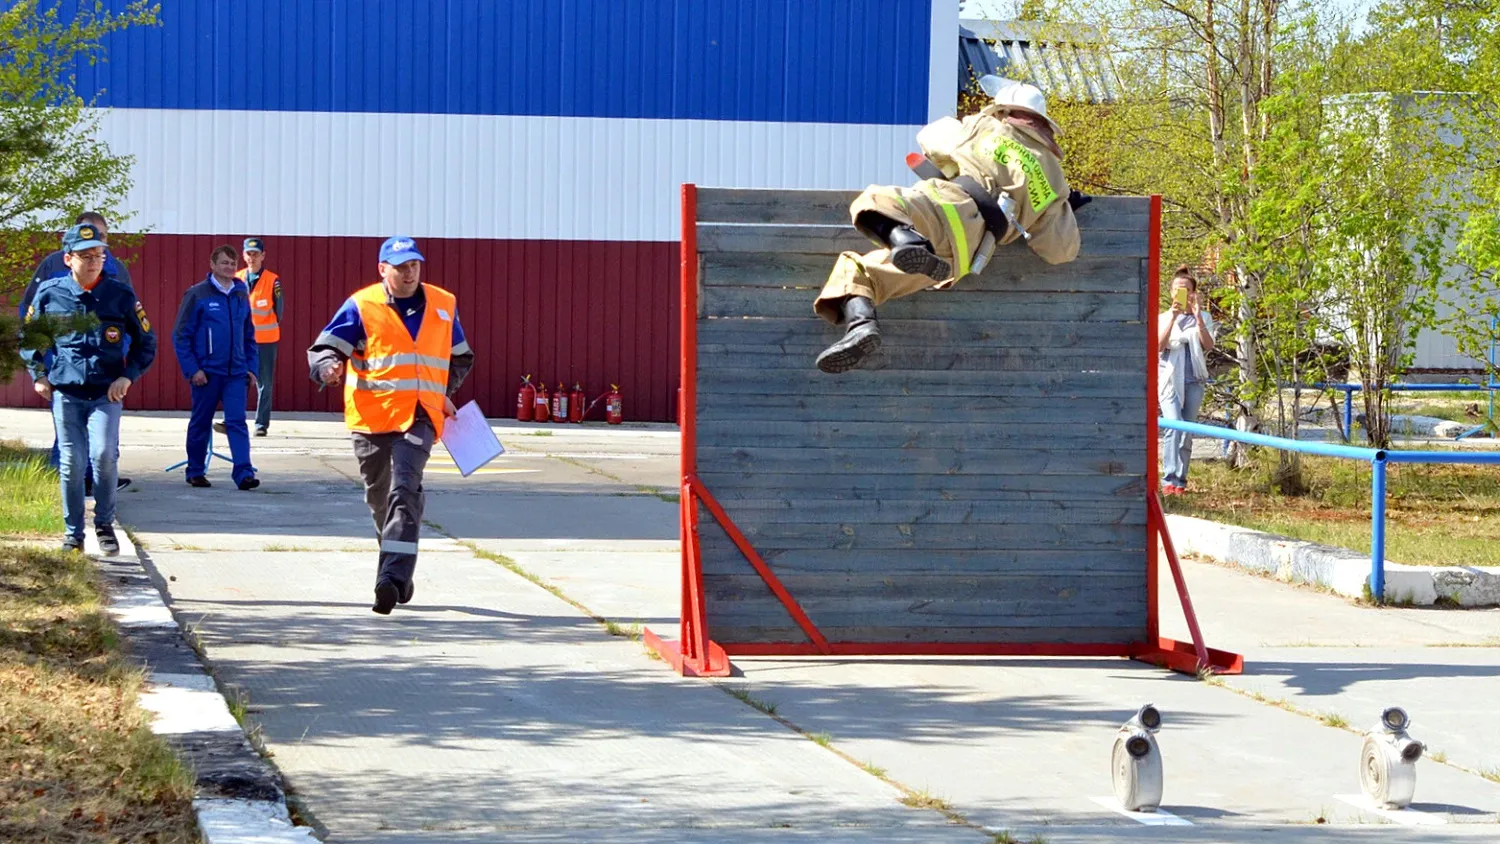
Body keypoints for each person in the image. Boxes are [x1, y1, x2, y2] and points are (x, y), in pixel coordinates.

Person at [814, 75, 1091, 373]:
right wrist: (1062, 209)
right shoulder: (1053, 177)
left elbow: (930, 137)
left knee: (874, 200)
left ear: (1004, 112)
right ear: (1042, 123)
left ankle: (904, 245)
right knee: (864, 269)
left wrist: (954, 160)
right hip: (968, 251)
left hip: (947, 206)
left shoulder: (985, 127)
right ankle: (861, 327)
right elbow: (1061, 250)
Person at [307, 236, 474, 615]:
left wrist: (443, 391)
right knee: (380, 497)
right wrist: (328, 367)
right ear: (383, 269)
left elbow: (461, 357)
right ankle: (397, 558)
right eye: (400, 267)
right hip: (371, 418)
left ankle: (391, 580)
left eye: (414, 265)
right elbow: (324, 348)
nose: (409, 273)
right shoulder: (362, 305)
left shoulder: (443, 304)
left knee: (405, 488)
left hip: (420, 416)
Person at [20, 223, 157, 552]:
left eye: (99, 254)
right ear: (68, 259)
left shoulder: (119, 294)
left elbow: (145, 342)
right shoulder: (50, 294)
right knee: (72, 462)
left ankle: (105, 525)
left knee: (104, 456)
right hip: (66, 393)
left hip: (106, 393)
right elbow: (30, 339)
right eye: (86, 255)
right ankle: (73, 534)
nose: (94, 260)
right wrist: (38, 374)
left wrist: (128, 377)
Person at [20, 211, 135, 491]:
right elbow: (31, 315)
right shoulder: (51, 266)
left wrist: (121, 360)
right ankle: (63, 482)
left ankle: (101, 482)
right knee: (69, 435)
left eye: (103, 238)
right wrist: (43, 366)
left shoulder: (116, 269)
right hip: (64, 365)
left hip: (104, 368)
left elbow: (130, 320)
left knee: (105, 434)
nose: (96, 246)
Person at [172, 245, 261, 490]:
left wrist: (251, 368)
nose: (230, 268)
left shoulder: (241, 293)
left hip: (236, 373)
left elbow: (248, 334)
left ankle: (244, 473)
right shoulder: (197, 294)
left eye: (233, 264)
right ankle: (195, 471)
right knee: (201, 422)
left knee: (237, 422)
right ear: (212, 265)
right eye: (224, 263)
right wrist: (193, 370)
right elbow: (180, 335)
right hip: (206, 374)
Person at [1158, 266, 1216, 495]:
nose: (1181, 294)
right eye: (1177, 290)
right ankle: (1168, 479)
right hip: (1169, 379)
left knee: (1187, 430)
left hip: (1193, 380)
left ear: (1194, 293)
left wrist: (1198, 317)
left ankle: (1181, 480)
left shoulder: (1204, 317)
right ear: (1171, 292)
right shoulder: (1163, 317)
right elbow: (1158, 346)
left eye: (1187, 290)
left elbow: (1208, 345)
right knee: (1173, 426)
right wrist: (1173, 317)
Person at [235, 237, 283, 437]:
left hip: (266, 341)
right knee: (238, 379)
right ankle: (235, 420)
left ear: (263, 256)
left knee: (264, 383)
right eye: (249, 254)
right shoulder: (237, 279)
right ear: (244, 255)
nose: (252, 257)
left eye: (256, 254)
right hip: (242, 341)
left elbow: (279, 311)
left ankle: (261, 424)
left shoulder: (273, 280)